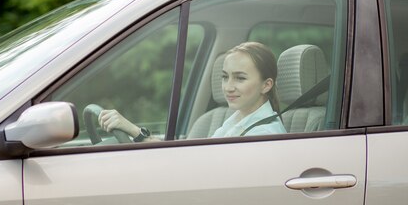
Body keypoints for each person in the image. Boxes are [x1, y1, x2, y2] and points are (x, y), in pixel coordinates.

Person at [98, 41, 285, 140]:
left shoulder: (264, 135)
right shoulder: (236, 120)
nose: (228, 87)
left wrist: (132, 130)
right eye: (224, 76)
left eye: (240, 78)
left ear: (266, 85)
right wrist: (131, 129)